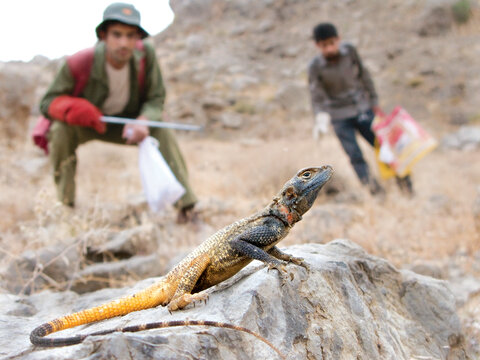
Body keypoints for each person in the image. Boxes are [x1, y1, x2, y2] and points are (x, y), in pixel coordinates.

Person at [40, 2, 198, 223]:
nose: (124, 43)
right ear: (103, 35)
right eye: (117, 34)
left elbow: (156, 98)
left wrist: (143, 121)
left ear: (138, 38)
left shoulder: (146, 56)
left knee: (162, 130)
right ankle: (65, 207)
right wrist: (74, 108)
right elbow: (47, 102)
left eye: (131, 35)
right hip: (91, 125)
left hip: (130, 125)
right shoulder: (79, 62)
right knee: (60, 131)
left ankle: (187, 208)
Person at [308, 23, 413, 196]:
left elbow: (364, 76)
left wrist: (374, 102)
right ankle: (375, 193)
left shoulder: (349, 52)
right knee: (355, 156)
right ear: (317, 46)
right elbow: (316, 95)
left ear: (338, 39)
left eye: (332, 43)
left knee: (384, 148)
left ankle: (406, 185)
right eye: (324, 45)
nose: (329, 48)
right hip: (339, 116)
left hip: (362, 109)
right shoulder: (315, 67)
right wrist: (320, 117)